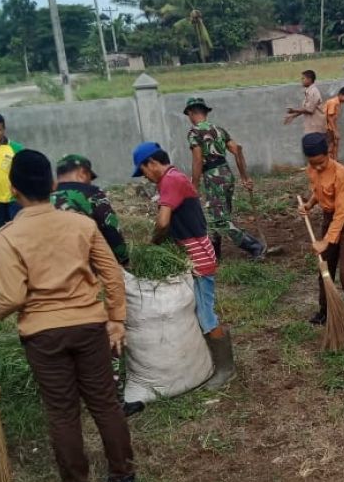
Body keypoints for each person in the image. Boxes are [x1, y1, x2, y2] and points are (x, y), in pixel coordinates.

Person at [0, 149, 135, 482]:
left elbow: (13, 296)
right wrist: (116, 318)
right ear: (51, 184)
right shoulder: (81, 225)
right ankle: (123, 476)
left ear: (13, 190)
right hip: (89, 325)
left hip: (43, 334)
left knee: (62, 411)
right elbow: (111, 273)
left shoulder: (8, 236)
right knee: (105, 402)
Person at [132, 142, 236, 393]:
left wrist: (152, 243)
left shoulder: (170, 180)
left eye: (143, 171)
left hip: (198, 256)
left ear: (151, 163)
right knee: (199, 309)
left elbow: (163, 221)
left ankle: (226, 369)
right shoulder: (172, 178)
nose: (144, 176)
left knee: (206, 314)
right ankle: (210, 360)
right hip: (191, 253)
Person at [299, 133, 344, 334]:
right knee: (324, 269)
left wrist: (326, 241)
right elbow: (319, 190)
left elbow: (342, 212)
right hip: (329, 218)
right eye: (313, 163)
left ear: (328, 153)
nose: (318, 167)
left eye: (321, 162)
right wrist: (310, 204)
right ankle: (325, 311)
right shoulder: (311, 170)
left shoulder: (341, 174)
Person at [183, 97, 265, 261]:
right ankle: (215, 252)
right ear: (205, 112)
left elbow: (198, 159)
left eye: (188, 115)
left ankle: (255, 247)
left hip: (213, 177)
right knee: (218, 214)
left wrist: (194, 185)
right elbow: (237, 149)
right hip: (226, 174)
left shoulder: (194, 132)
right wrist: (244, 177)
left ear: (191, 113)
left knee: (220, 219)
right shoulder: (219, 130)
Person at [52, 154, 129, 266]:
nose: (90, 182)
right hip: (85, 264)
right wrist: (123, 258)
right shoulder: (92, 193)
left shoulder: (46, 198)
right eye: (90, 177)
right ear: (82, 173)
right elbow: (110, 226)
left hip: (54, 265)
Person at [284, 70, 327, 134]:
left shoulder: (313, 92)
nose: (301, 80)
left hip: (316, 129)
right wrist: (293, 115)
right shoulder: (309, 92)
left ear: (309, 79)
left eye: (303, 78)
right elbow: (305, 108)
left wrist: (294, 110)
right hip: (312, 128)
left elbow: (309, 110)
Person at [322, 86, 344, 160]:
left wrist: (335, 130)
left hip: (330, 127)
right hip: (327, 128)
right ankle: (330, 164)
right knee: (330, 146)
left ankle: (335, 162)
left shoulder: (337, 103)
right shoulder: (333, 102)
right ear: (341, 95)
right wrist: (335, 131)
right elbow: (329, 117)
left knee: (335, 143)